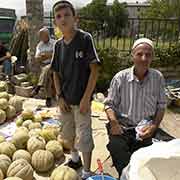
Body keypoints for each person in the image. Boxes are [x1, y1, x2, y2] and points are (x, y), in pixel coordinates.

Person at [51, 1, 100, 179]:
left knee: (84, 138)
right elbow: (55, 72)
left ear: (75, 18)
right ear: (55, 22)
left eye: (66, 15)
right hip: (65, 100)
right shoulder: (57, 45)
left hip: (82, 102)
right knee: (68, 134)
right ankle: (74, 158)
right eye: (58, 16)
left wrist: (86, 98)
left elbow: (94, 69)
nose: (63, 19)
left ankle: (86, 172)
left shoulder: (85, 39)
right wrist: (59, 96)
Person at [104, 38, 167, 178]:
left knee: (168, 150)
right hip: (123, 128)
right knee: (117, 149)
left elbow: (161, 106)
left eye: (148, 54)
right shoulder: (120, 78)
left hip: (147, 128)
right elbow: (109, 105)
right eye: (139, 54)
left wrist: (153, 127)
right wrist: (114, 124)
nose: (144, 58)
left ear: (152, 57)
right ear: (132, 55)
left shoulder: (158, 78)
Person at [31, 27, 56, 107]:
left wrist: (45, 55)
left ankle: (38, 87)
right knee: (47, 75)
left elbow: (56, 55)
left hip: (54, 64)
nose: (42, 38)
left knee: (46, 69)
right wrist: (48, 54)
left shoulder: (54, 43)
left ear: (48, 35)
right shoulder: (40, 45)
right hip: (44, 65)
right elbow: (37, 58)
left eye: (43, 36)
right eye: (41, 36)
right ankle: (48, 98)